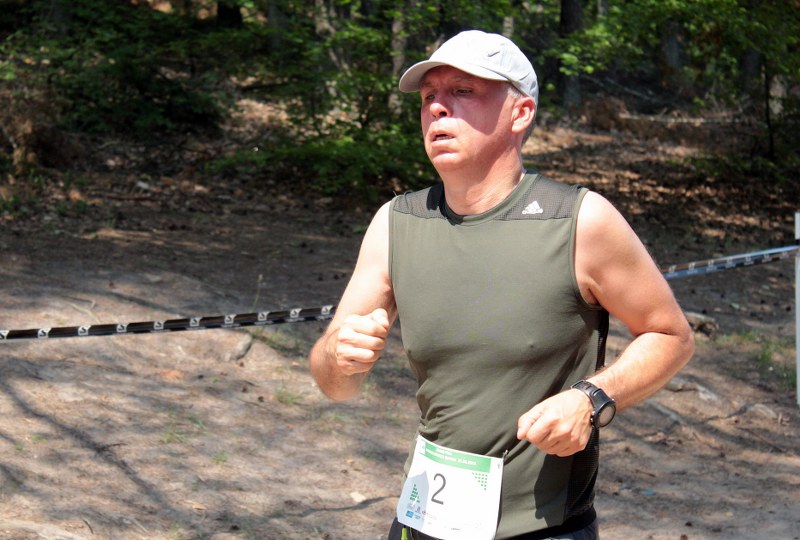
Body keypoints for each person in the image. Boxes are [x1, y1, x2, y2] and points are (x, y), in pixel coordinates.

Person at [309, 29, 694, 540]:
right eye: (428, 96)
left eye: (462, 91)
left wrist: (591, 398)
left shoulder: (580, 221)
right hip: (423, 520)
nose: (437, 108)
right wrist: (338, 356)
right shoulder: (396, 222)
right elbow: (333, 383)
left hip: (544, 529)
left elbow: (670, 335)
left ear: (520, 113)